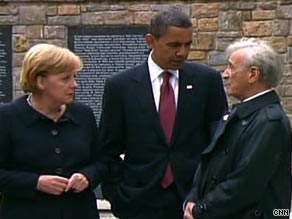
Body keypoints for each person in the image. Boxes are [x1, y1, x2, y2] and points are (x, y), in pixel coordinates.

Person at [99, 7, 227, 219]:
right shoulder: (120, 86)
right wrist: (117, 195)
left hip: (193, 202)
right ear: (151, 41)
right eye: (174, 45)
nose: (182, 53)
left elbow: (219, 143)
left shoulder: (207, 81)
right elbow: (107, 147)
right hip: (139, 201)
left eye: (187, 45)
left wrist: (209, 194)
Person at [184, 38, 292, 219]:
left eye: (231, 67)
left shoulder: (269, 122)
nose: (225, 74)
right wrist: (192, 200)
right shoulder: (240, 114)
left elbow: (245, 183)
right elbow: (210, 163)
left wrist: (201, 209)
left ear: (253, 74)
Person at [0, 44, 107, 219]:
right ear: (40, 81)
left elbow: (102, 161)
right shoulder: (7, 117)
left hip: (79, 212)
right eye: (65, 78)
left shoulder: (83, 115)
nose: (74, 84)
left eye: (74, 77)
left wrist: (87, 176)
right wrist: (36, 183)